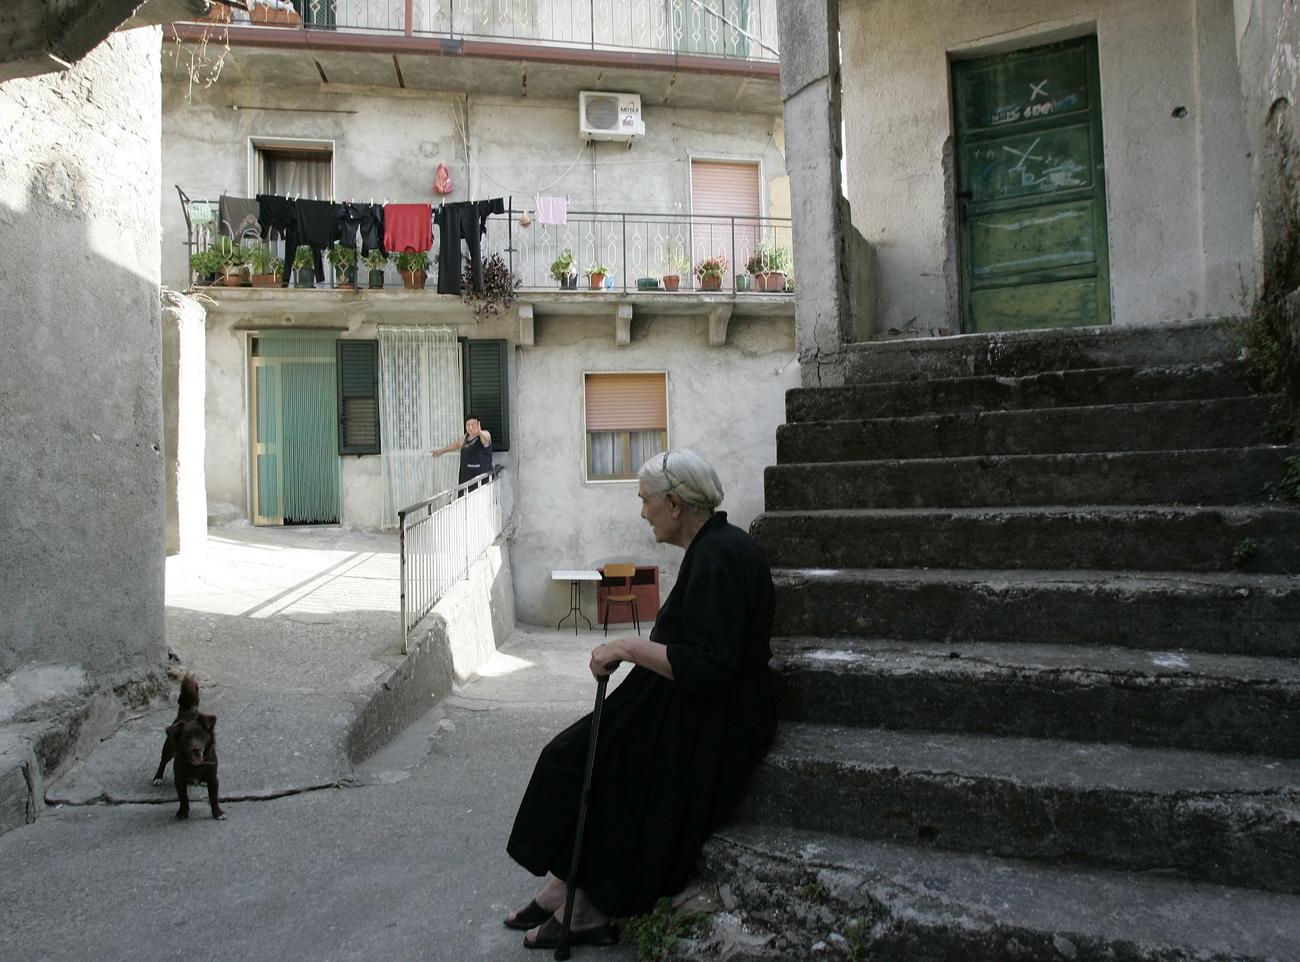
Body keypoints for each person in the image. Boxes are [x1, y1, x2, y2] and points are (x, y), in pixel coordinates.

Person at [503, 449, 777, 950]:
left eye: (645, 500)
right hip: (691, 697)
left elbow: (710, 667)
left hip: (719, 712)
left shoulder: (719, 555)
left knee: (613, 762)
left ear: (673, 503)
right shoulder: (713, 547)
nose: (642, 511)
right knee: (572, 753)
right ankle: (567, 883)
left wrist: (627, 645)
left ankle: (588, 905)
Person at [430, 413, 493, 490]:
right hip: (466, 476)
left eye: (473, 425)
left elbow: (487, 438)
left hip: (480, 478)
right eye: (468, 425)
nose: (470, 427)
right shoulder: (466, 437)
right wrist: (441, 451)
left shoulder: (483, 435)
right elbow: (457, 445)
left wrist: (480, 432)